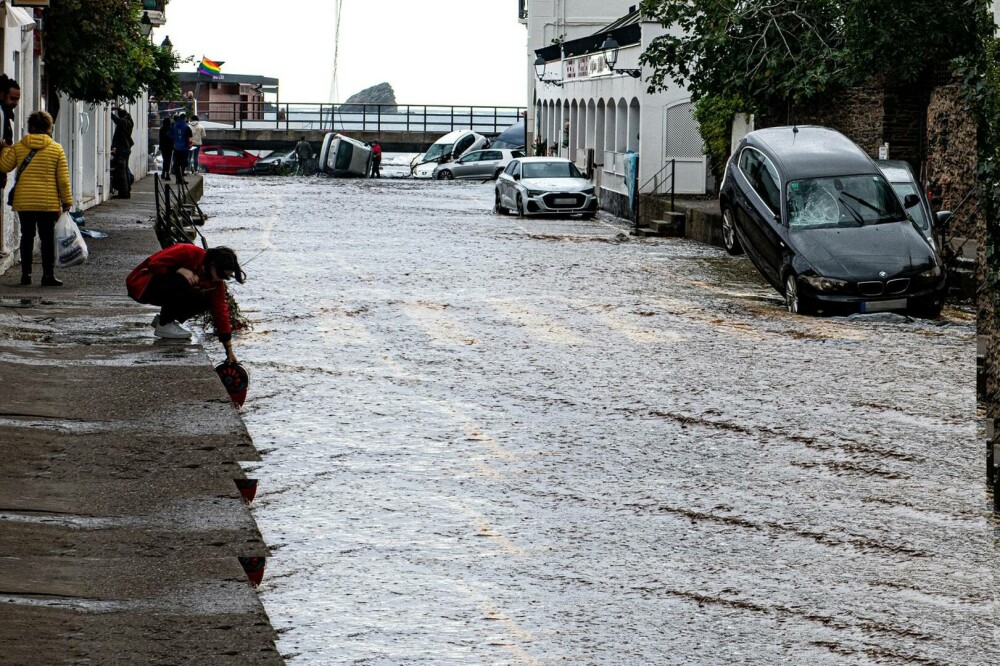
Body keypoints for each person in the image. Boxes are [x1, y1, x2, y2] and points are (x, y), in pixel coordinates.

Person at [126, 244, 245, 361]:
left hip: (163, 290)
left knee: (207, 299)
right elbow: (153, 264)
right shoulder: (188, 251)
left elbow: (220, 311)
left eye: (226, 277)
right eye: (221, 274)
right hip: (142, 285)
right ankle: (164, 324)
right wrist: (179, 270)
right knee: (184, 280)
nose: (221, 279)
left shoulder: (216, 283)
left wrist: (229, 350)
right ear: (213, 265)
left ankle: (164, 320)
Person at [0, 110, 73, 286]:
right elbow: (63, 180)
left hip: (25, 202)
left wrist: (4, 150)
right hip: (47, 203)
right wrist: (67, 201)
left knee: (27, 236)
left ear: (30, 127)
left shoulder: (18, 146)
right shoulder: (57, 149)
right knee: (46, 238)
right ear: (49, 127)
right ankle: (48, 275)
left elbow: (4, 166)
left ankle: (26, 274)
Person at [0, 75, 21, 192]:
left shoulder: (6, 114)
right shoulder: (1, 112)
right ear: (2, 95)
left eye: (17, 99)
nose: (16, 103)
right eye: (12, 98)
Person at [110, 107, 134, 199]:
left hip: (122, 149)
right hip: (125, 148)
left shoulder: (124, 122)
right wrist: (117, 108)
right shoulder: (129, 121)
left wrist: (109, 111)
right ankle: (126, 191)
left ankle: (124, 192)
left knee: (122, 171)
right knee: (124, 170)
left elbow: (116, 119)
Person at [172, 112, 192, 183]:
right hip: (184, 148)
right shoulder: (186, 127)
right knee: (183, 164)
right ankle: (181, 178)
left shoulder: (174, 126)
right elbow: (190, 138)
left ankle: (178, 179)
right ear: (185, 118)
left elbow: (171, 135)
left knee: (177, 164)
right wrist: (189, 145)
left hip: (176, 147)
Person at [159, 116, 175, 181]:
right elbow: (172, 138)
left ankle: (163, 173)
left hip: (163, 147)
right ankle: (167, 174)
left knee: (165, 160)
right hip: (169, 147)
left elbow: (160, 138)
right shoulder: (171, 129)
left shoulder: (161, 129)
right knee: (168, 160)